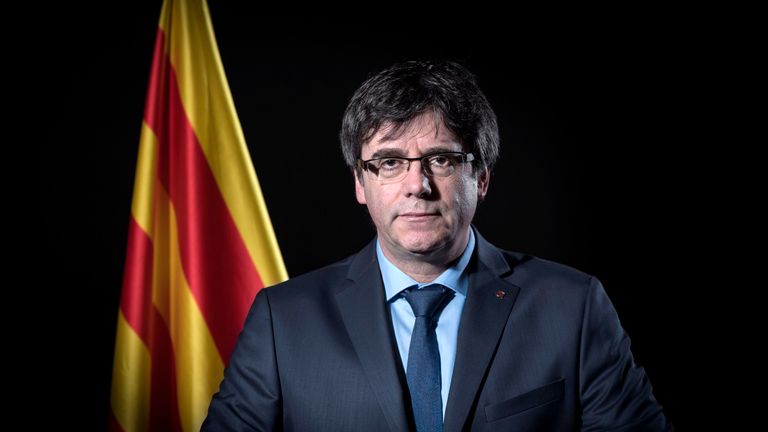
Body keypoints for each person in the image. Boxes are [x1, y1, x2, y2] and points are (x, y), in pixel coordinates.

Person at [202, 60, 671, 431]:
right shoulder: (282, 320)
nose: (417, 186)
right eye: (388, 162)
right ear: (360, 185)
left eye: (440, 160)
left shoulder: (573, 308)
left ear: (480, 177)